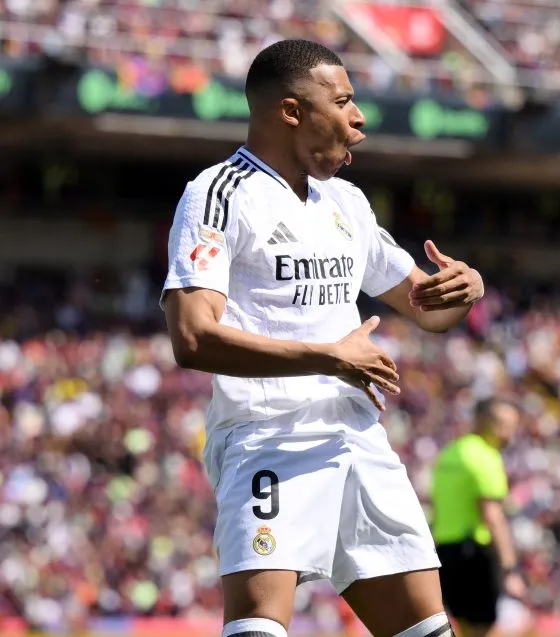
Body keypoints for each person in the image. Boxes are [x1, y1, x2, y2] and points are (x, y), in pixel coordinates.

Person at [160, 39, 485, 637]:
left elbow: (427, 308)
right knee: (258, 628)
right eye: (343, 101)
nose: (359, 119)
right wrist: (329, 357)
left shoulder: (346, 202)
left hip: (359, 438)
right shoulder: (219, 193)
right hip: (270, 437)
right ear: (290, 112)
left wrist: (463, 289)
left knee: (428, 631)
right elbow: (192, 337)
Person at [430, 399, 526, 637]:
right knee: (486, 629)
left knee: (463, 627)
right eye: (506, 426)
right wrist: (510, 569)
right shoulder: (485, 457)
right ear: (487, 424)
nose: (510, 435)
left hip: (445, 552)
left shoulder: (449, 453)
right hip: (475, 554)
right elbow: (492, 516)